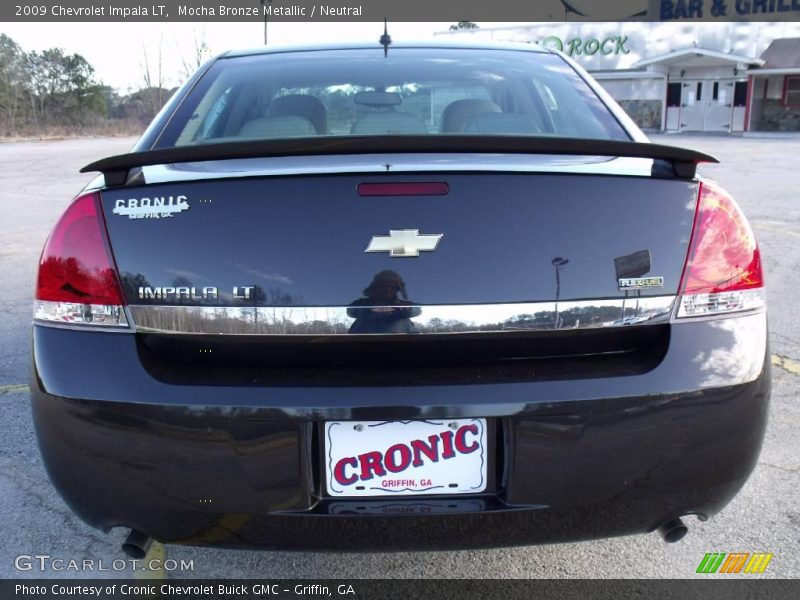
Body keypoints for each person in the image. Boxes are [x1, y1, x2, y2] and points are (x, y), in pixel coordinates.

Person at [347, 271, 421, 334]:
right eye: (382, 286)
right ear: (374, 288)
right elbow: (351, 311)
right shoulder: (362, 303)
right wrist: (370, 310)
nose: (387, 289)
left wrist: (401, 309)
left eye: (391, 287)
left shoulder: (403, 305)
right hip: (362, 345)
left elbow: (417, 310)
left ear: (397, 289)